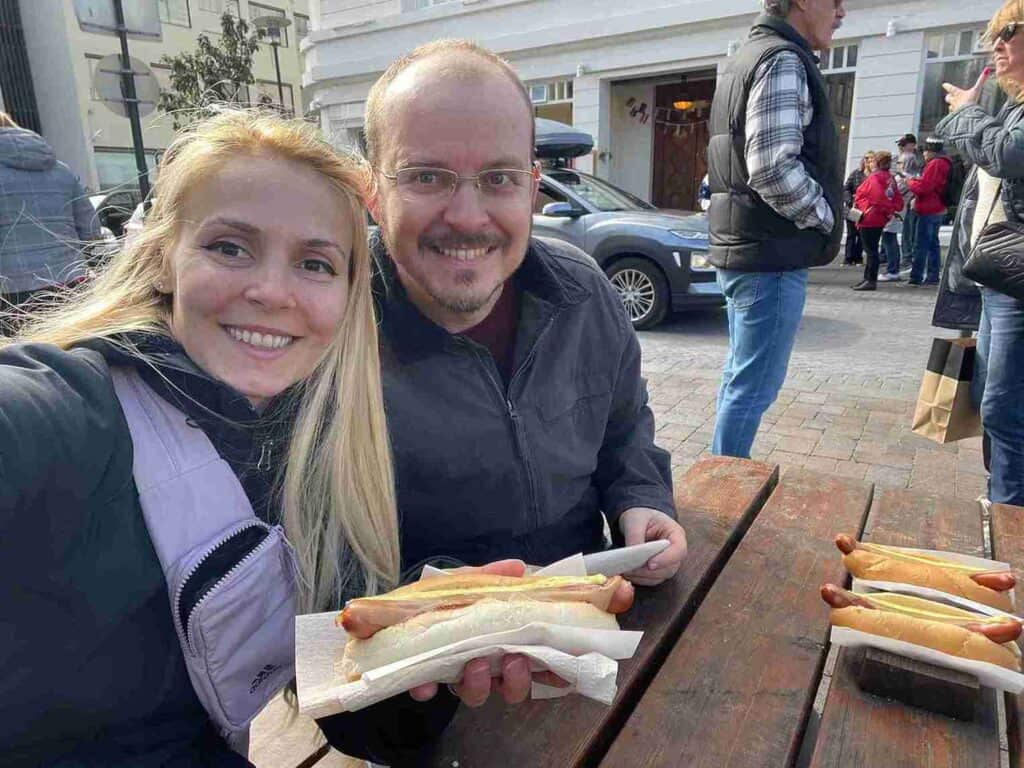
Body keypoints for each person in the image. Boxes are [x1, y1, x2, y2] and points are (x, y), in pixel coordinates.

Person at [0, 109, 489, 766]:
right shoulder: (72, 410)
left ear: (349, 297)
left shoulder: (317, 453)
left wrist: (430, 651)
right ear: (162, 260)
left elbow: (354, 721)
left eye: (315, 263)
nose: (270, 291)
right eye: (230, 247)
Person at [362, 40, 687, 589]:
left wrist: (641, 500)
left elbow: (624, 428)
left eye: (499, 179)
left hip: (593, 611)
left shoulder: (583, 293)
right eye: (426, 176)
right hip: (418, 647)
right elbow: (312, 550)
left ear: (532, 189)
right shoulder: (331, 328)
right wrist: (446, 600)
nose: (467, 217)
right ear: (371, 191)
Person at [706, 0, 845, 458]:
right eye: (836, 0)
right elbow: (769, 167)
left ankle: (721, 474)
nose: (843, 11)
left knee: (741, 379)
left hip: (749, 247)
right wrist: (824, 216)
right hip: (771, 254)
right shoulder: (782, 58)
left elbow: (727, 167)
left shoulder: (746, 56)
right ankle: (724, 487)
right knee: (753, 387)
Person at [934, 0, 1024, 506]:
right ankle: (1003, 499)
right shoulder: (1014, 106)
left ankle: (1010, 522)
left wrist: (968, 114)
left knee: (1005, 408)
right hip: (1002, 271)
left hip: (1017, 276)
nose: (997, 43)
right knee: (994, 403)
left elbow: (1008, 155)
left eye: (1007, 31)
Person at [0, 111, 99, 334]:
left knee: (19, 363)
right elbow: (91, 228)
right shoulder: (61, 171)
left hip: (10, 297)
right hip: (70, 285)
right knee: (75, 353)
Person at [852, 151, 903, 291]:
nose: (869, 163)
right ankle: (867, 278)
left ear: (878, 162)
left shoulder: (875, 177)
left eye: (872, 160)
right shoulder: (889, 178)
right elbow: (897, 199)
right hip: (879, 217)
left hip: (870, 216)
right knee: (872, 249)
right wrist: (891, 210)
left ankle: (870, 280)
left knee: (870, 250)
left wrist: (887, 209)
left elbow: (877, 197)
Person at [907, 136, 952, 285]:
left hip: (929, 208)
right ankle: (932, 275)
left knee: (921, 244)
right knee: (933, 243)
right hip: (938, 207)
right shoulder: (945, 163)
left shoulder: (936, 164)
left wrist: (910, 182)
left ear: (931, 151)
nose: (924, 154)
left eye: (925, 151)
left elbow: (925, 188)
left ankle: (916, 276)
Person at [895, 133, 925, 270]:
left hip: (908, 197)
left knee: (908, 229)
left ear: (911, 145)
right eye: (900, 143)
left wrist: (898, 189)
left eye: (903, 143)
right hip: (909, 196)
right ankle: (908, 256)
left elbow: (905, 176)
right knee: (909, 229)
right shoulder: (912, 157)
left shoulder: (909, 157)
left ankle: (907, 256)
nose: (900, 146)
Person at [842, 152, 874, 266]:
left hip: (865, 209)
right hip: (853, 207)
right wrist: (849, 200)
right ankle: (848, 257)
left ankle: (858, 257)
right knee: (851, 233)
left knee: (862, 234)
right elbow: (846, 188)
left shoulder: (874, 176)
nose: (867, 161)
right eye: (866, 158)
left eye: (870, 159)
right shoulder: (856, 173)